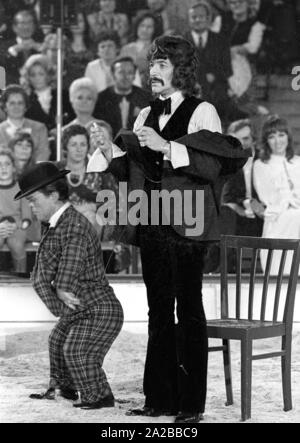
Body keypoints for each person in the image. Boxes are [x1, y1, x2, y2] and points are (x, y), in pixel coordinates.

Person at [88, 35, 249, 423]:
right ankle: (158, 398)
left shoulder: (203, 111)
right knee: (158, 311)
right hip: (154, 224)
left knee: (189, 309)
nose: (152, 72)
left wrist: (167, 147)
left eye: (161, 64)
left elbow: (215, 165)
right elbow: (133, 171)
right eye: (152, 64)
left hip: (190, 224)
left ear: (181, 69)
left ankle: (190, 405)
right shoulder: (144, 115)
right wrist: (110, 152)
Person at [15, 161, 124, 408]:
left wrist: (61, 289)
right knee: (57, 340)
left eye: (33, 200)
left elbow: (68, 272)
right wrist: (56, 296)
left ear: (53, 195)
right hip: (80, 308)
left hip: (97, 310)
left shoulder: (73, 225)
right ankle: (65, 389)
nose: (31, 207)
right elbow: (49, 269)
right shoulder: (56, 223)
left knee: (75, 350)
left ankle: (100, 396)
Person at [253, 115, 300, 275]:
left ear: (288, 136)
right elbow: (269, 198)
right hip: (277, 220)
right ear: (266, 141)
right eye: (272, 137)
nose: (278, 141)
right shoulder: (261, 165)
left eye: (281, 135)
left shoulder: (298, 162)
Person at [219, 119, 264, 272]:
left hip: (264, 215)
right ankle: (225, 271)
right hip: (240, 217)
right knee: (224, 214)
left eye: (245, 139)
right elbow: (227, 198)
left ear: (254, 139)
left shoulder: (265, 160)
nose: (241, 144)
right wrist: (246, 203)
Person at [93, 57, 152, 137]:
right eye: (121, 72)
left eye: (130, 72)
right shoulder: (101, 98)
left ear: (134, 76)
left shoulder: (146, 97)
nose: (126, 76)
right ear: (113, 75)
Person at [21, 54, 74, 132]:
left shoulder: (63, 95)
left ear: (49, 74)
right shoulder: (26, 100)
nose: (37, 78)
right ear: (28, 77)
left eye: (41, 74)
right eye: (33, 75)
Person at [0, 149, 32, 272]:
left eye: (7, 164)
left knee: (16, 244)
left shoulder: (21, 189)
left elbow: (26, 216)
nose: (3, 168)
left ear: (13, 167)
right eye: (0, 165)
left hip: (18, 227)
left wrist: (16, 226)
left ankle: (20, 275)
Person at [0, 84, 50, 161]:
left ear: (26, 107)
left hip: (35, 172)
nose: (16, 107)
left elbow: (43, 155)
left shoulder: (40, 128)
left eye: (20, 103)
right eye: (12, 103)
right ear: (5, 107)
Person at [0, 9, 42, 85]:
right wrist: (14, 50)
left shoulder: (41, 45)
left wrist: (41, 49)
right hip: (12, 89)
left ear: (34, 26)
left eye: (29, 22)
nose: (26, 27)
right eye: (22, 23)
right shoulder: (4, 46)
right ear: (14, 27)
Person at [120, 11, 160, 89]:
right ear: (137, 27)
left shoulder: (157, 49)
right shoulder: (126, 48)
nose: (145, 29)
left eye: (149, 27)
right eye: (142, 25)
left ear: (154, 30)